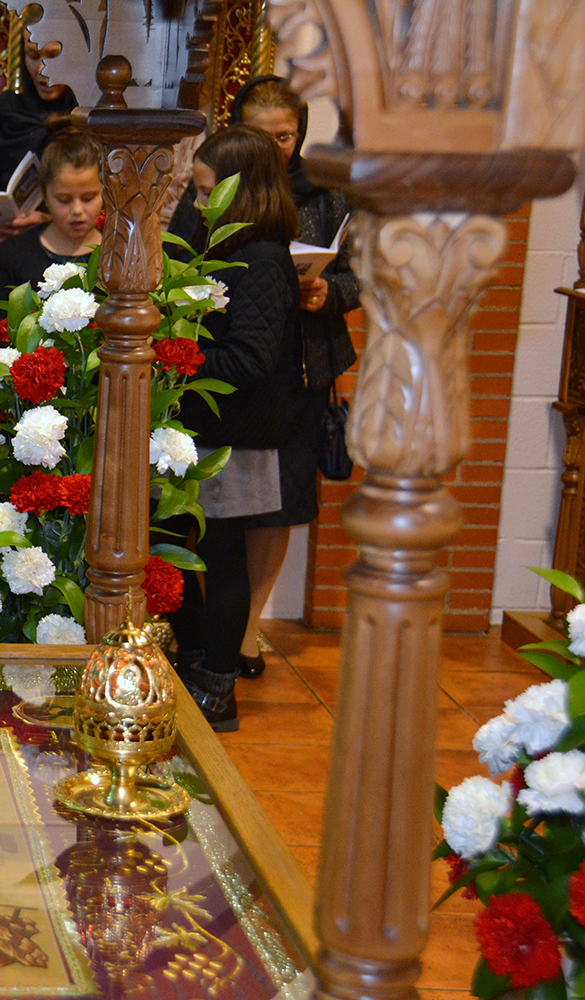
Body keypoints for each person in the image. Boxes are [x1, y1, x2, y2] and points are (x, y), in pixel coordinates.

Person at [168, 125, 303, 732]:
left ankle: (218, 687)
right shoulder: (222, 246)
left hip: (236, 433)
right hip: (203, 426)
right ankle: (196, 659)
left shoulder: (264, 258)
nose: (197, 205)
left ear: (239, 192)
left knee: (222, 556)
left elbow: (250, 358)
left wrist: (177, 357)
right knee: (176, 547)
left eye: (206, 192)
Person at [227, 75, 360, 679]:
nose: (274, 149)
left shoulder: (327, 193)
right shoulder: (217, 186)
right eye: (261, 136)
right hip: (236, 366)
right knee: (223, 503)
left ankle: (247, 630)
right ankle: (214, 623)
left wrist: (330, 292)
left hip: (302, 366)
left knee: (279, 505)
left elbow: (361, 275)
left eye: (284, 137)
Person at [0, 127, 101, 349]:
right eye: (64, 200)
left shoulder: (118, 253)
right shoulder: (14, 253)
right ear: (44, 195)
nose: (77, 210)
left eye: (89, 198)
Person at [0, 37, 78, 249]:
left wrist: (50, 224)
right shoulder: (5, 114)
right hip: (12, 254)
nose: (41, 69)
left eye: (53, 56)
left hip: (78, 254)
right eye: (33, 56)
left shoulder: (92, 118)